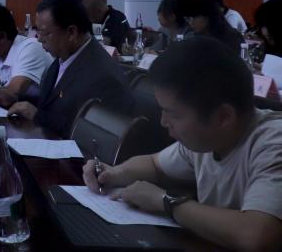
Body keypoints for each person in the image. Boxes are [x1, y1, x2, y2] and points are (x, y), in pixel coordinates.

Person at [82, 38, 282, 251]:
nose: (163, 122)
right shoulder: (208, 139)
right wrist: (112, 174)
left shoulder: (273, 142)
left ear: (224, 116)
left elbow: (256, 235)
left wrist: (166, 202)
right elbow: (155, 164)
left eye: (173, 114)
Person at [7, 0, 134, 136]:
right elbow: (52, 102)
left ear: (72, 32)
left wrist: (38, 116)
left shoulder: (103, 76)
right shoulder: (65, 56)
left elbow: (91, 133)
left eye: (44, 33)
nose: (39, 39)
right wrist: (16, 100)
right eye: (38, 32)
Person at [179, 0, 243, 55]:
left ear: (207, 17)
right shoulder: (193, 36)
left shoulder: (231, 37)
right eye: (187, 19)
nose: (190, 22)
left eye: (193, 18)